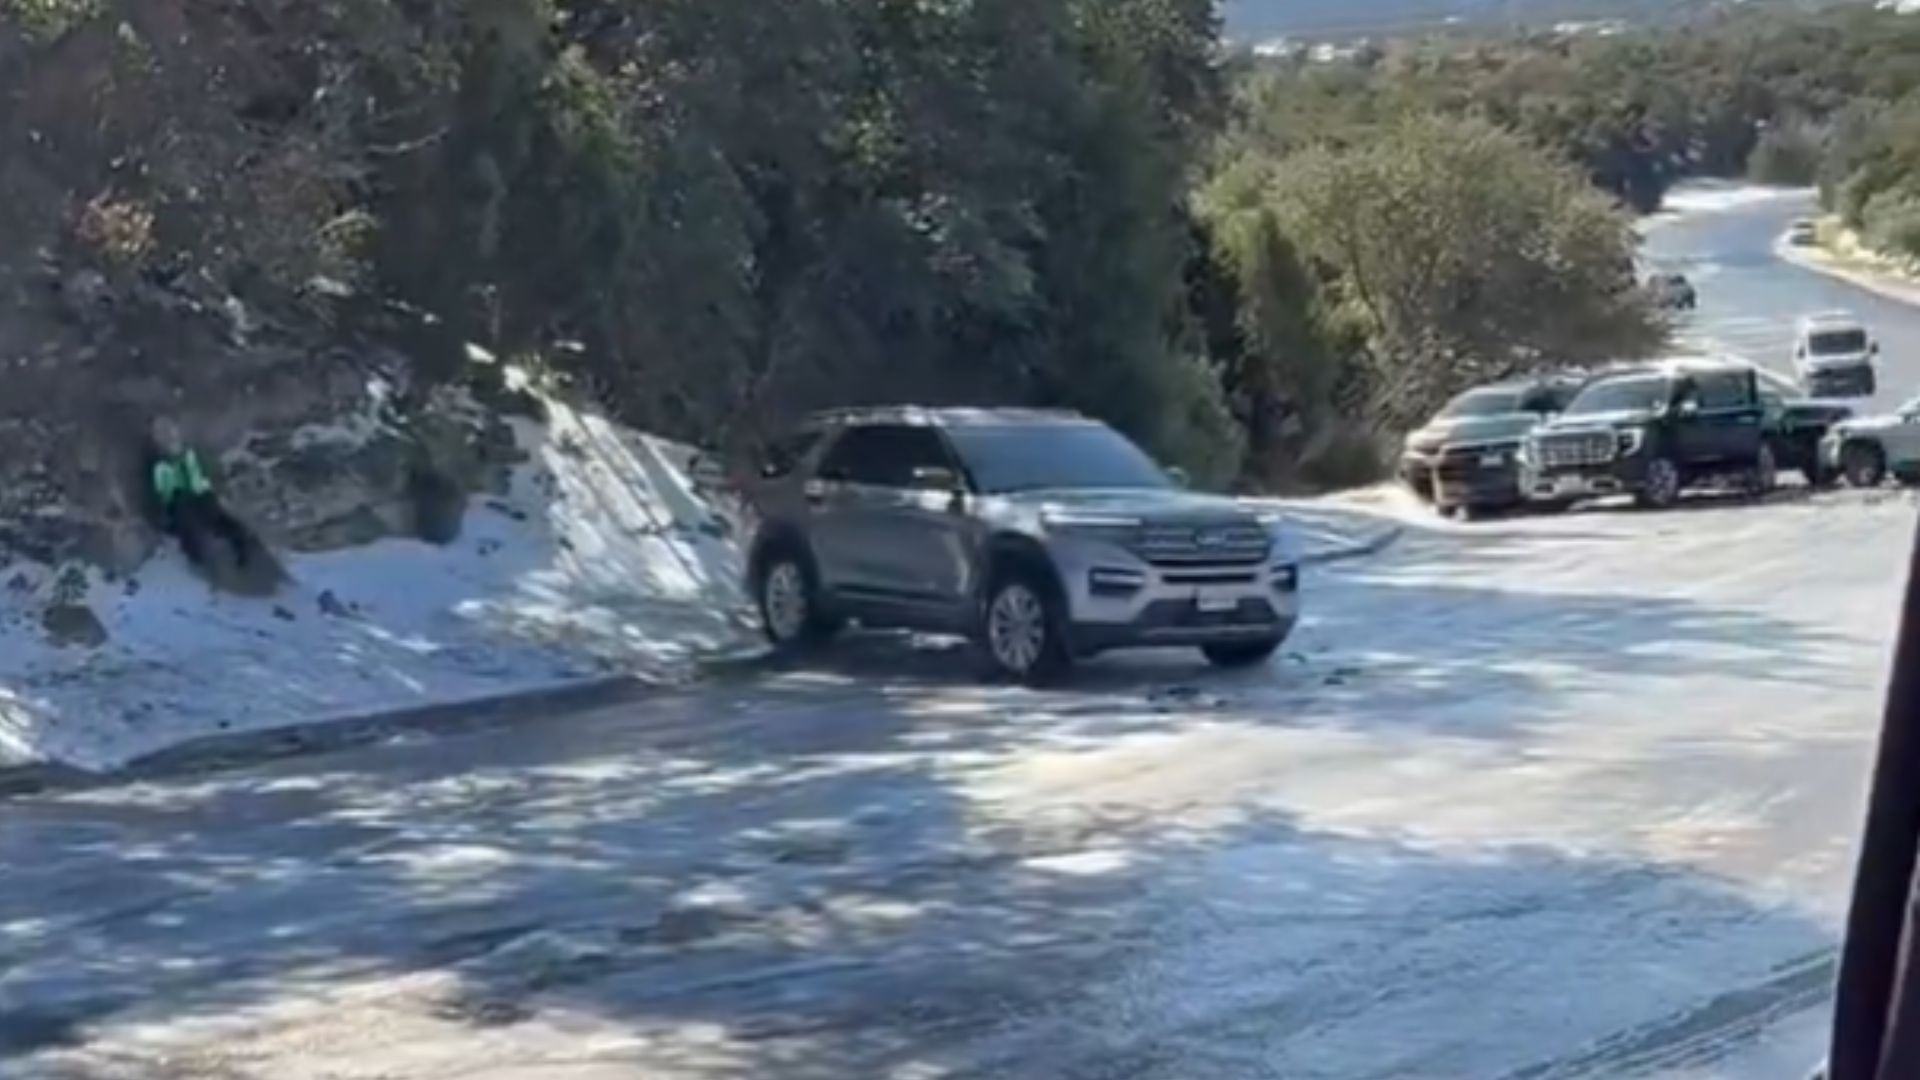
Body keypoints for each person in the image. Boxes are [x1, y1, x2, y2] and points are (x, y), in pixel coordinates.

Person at [148, 418, 251, 570]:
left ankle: (240, 543)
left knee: (218, 518)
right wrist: (170, 502)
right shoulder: (160, 465)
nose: (167, 437)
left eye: (169, 431)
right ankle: (197, 555)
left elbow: (204, 472)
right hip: (181, 502)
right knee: (187, 520)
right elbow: (162, 490)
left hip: (201, 494)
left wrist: (207, 487)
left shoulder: (190, 454)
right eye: (161, 433)